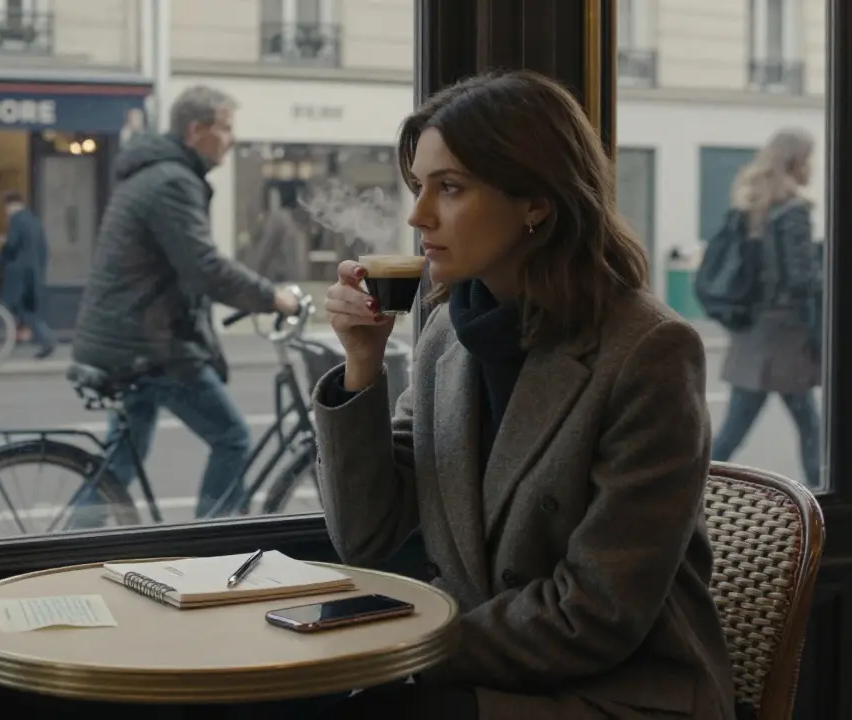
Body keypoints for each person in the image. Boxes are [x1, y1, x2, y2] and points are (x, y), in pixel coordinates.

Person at [314, 70, 735, 719]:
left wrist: (406, 650)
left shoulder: (648, 351)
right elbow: (366, 537)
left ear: (535, 201)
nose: (418, 215)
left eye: (450, 188)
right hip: (485, 669)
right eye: (419, 187)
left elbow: (595, 612)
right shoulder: (447, 333)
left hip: (618, 692)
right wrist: (362, 364)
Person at [71, 85, 301, 520]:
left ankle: (68, 542)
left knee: (121, 461)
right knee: (232, 437)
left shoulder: (156, 174)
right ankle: (210, 545)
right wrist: (272, 297)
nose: (232, 139)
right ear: (196, 131)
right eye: (225, 128)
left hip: (125, 337)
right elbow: (205, 267)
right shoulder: (172, 182)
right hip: (148, 345)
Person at [710, 129, 822, 486]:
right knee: (808, 427)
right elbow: (801, 279)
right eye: (809, 158)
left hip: (753, 330)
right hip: (785, 334)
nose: (811, 166)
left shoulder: (752, 204)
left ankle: (698, 486)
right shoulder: (793, 211)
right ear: (796, 161)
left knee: (737, 428)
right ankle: (821, 496)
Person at [0, 190, 56, 359]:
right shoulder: (34, 221)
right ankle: (30, 338)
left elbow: (12, 245)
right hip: (33, 272)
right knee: (26, 309)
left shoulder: (16, 221)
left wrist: (2, 244)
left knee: (13, 307)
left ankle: (42, 339)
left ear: (9, 205)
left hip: (18, 273)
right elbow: (44, 250)